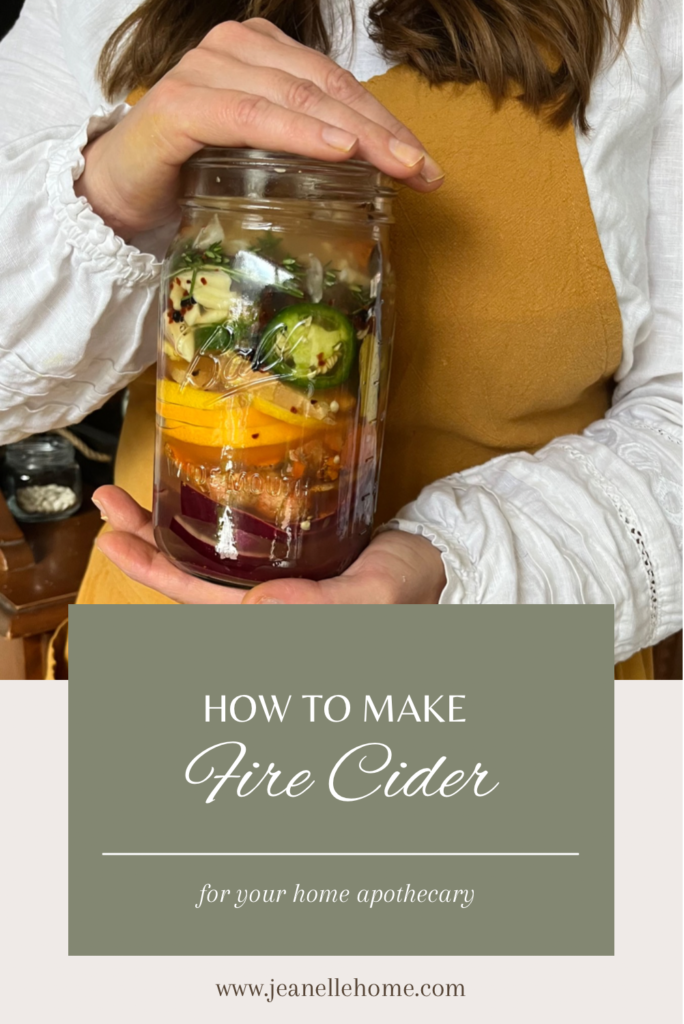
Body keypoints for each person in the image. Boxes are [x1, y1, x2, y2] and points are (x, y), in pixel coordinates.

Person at [0, 0, 681, 678]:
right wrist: (110, 190)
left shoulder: (650, 20)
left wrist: (454, 567)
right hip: (171, 639)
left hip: (503, 656)